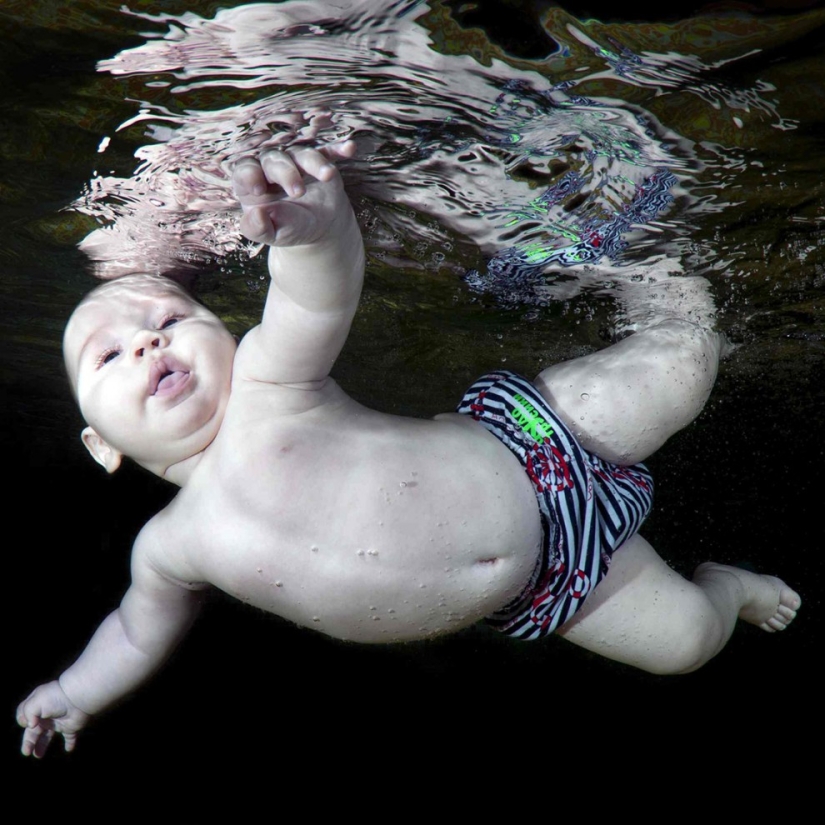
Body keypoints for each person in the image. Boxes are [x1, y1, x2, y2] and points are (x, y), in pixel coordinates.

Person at [17, 142, 800, 758]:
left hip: (533, 442)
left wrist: (317, 228)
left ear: (224, 337)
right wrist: (78, 691)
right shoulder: (167, 547)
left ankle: (654, 274)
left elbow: (312, 295)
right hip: (551, 583)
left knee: (684, 365)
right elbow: (133, 631)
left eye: (169, 318)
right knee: (687, 643)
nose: (147, 340)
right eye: (110, 357)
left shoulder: (268, 383)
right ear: (99, 445)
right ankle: (731, 587)